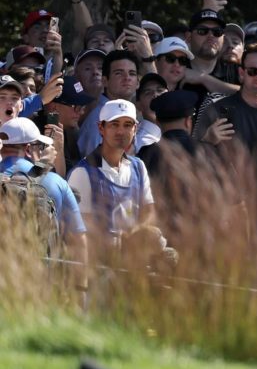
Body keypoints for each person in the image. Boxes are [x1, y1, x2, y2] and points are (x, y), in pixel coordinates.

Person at [0, 118, 88, 271]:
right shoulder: (56, 182)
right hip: (40, 282)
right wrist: (80, 290)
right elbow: (78, 240)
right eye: (40, 146)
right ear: (28, 149)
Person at [66, 99, 155, 241]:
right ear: (101, 128)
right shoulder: (82, 174)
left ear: (135, 129)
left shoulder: (139, 167)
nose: (121, 131)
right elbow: (81, 233)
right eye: (114, 125)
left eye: (127, 125)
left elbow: (149, 212)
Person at [77, 49, 141, 156]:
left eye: (132, 73)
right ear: (105, 81)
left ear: (138, 83)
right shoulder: (98, 119)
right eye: (119, 73)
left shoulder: (136, 114)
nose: (127, 78)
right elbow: (96, 169)